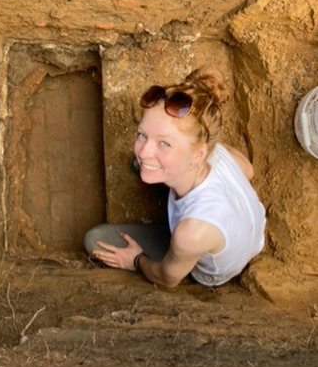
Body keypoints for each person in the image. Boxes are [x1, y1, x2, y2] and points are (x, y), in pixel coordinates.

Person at [84, 66, 266, 287]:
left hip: (208, 265)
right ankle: (164, 164)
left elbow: (167, 278)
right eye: (142, 135)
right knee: (148, 166)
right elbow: (248, 170)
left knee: (94, 239)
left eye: (164, 143)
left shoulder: (190, 232)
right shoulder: (218, 153)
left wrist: (136, 259)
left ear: (199, 153)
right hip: (251, 236)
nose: (143, 152)